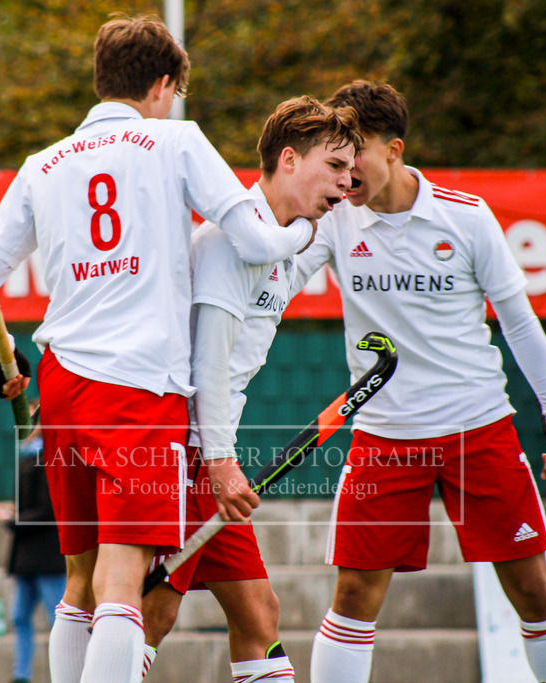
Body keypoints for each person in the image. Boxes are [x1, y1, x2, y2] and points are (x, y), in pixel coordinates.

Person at [0, 16, 318, 683]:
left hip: (63, 379)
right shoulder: (174, 140)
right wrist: (306, 237)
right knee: (121, 579)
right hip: (137, 387)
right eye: (173, 93)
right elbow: (256, 242)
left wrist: (1, 363)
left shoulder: (43, 164)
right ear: (160, 85)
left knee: (79, 579)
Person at [289, 81, 546, 683]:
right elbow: (275, 285)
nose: (346, 175)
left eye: (358, 156)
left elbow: (522, 327)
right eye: (337, 159)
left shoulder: (467, 217)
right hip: (382, 436)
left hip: (477, 428)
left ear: (395, 149)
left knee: (532, 589)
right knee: (352, 597)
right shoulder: (334, 220)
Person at [140, 96, 361, 682]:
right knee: (152, 613)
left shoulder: (290, 239)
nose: (348, 180)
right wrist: (218, 460)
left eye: (351, 169)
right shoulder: (228, 242)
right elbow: (206, 363)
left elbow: (343, 237)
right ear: (289, 160)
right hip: (186, 453)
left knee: (258, 613)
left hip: (207, 455)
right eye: (335, 167)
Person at [0, 425, 66, 683]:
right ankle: (21, 675)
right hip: (25, 559)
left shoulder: (50, 461)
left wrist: (13, 520)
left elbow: (48, 511)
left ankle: (67, 674)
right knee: (19, 617)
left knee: (59, 620)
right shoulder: (28, 459)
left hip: (47, 558)